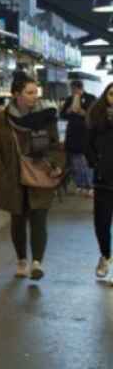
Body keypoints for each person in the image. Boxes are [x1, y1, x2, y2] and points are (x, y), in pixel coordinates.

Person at [0, 74, 61, 281]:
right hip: (13, 177)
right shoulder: (2, 119)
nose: (33, 97)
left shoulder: (47, 117)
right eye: (29, 93)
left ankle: (37, 263)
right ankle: (21, 260)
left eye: (35, 92)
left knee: (39, 218)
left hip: (40, 175)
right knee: (18, 220)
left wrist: (56, 164)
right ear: (16, 94)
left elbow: (56, 146)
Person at [85, 83, 113, 282]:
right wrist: (97, 163)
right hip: (103, 179)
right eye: (112, 94)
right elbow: (87, 145)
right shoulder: (97, 117)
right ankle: (105, 255)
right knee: (101, 223)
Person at [62, 79, 96, 196]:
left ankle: (90, 185)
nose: (72, 91)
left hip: (86, 134)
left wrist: (84, 113)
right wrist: (68, 110)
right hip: (72, 134)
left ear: (78, 88)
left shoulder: (91, 98)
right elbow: (62, 115)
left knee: (86, 161)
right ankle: (80, 184)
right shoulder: (69, 99)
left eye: (73, 89)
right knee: (76, 162)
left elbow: (95, 115)